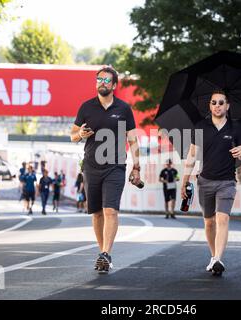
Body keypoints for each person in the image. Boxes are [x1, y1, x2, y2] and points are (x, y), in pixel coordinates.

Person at [70, 66, 141, 274]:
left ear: (114, 85)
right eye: (99, 79)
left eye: (106, 80)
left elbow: (132, 139)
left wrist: (137, 166)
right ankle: (102, 252)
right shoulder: (86, 107)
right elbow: (72, 135)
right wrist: (80, 135)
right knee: (97, 213)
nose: (102, 83)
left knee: (110, 209)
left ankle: (106, 254)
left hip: (116, 166)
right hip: (91, 166)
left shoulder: (124, 109)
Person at [181, 90, 241, 276]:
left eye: (221, 102)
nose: (217, 106)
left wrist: (240, 154)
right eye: (213, 103)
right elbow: (192, 155)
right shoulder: (201, 126)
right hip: (205, 181)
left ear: (227, 106)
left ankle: (218, 258)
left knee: (222, 218)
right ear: (209, 106)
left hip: (227, 181)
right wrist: (184, 180)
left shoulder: (236, 127)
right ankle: (213, 257)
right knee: (209, 222)